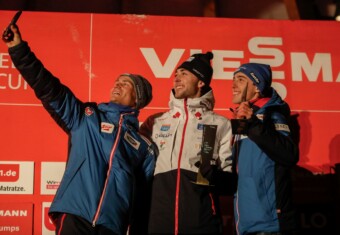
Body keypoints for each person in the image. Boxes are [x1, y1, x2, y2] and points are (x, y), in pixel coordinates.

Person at [3, 23, 157, 235]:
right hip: (76, 214)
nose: (117, 85)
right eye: (116, 81)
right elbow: (49, 88)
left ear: (137, 98)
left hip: (112, 225)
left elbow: (142, 199)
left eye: (125, 83)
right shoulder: (87, 117)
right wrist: (19, 50)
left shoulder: (144, 147)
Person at [140, 52, 233, 235]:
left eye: (184, 74)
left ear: (200, 82)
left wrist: (212, 176)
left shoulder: (220, 124)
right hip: (158, 220)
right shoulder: (155, 121)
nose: (176, 79)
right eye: (176, 74)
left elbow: (228, 180)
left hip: (201, 220)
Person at [230, 62, 300, 235]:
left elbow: (289, 154)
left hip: (270, 224)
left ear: (257, 87)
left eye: (240, 79)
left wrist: (253, 124)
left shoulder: (272, 115)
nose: (233, 85)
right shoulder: (243, 119)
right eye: (233, 79)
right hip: (245, 224)